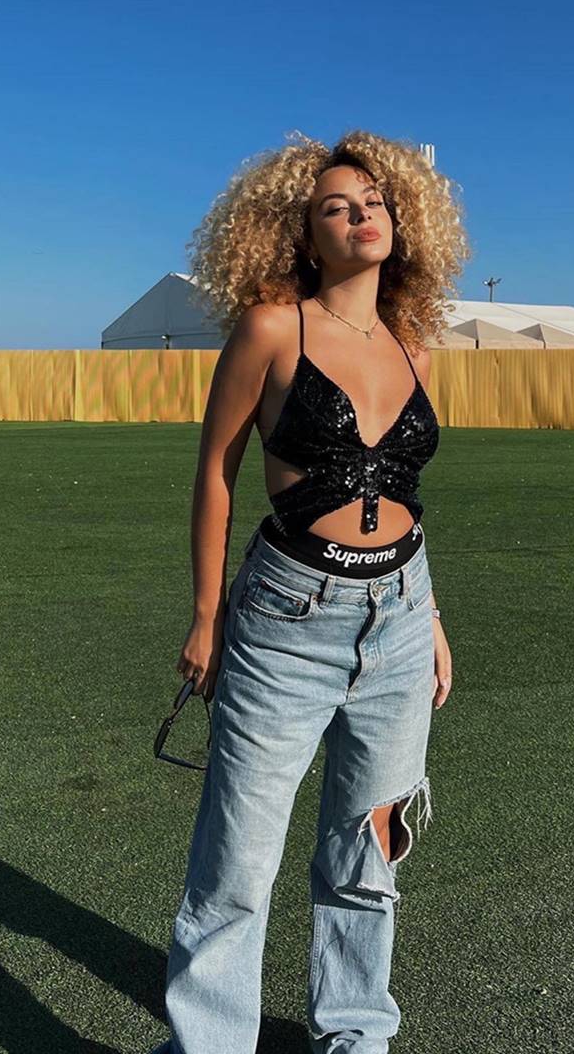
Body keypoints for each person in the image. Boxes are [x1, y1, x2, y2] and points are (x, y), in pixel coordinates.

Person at [150, 129, 471, 1054]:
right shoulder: (270, 327)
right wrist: (208, 616)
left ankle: (356, 1035)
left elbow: (406, 496)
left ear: (400, 219)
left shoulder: (412, 343)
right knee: (238, 865)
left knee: (368, 853)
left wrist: (433, 620)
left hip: (401, 621)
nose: (361, 212)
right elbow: (216, 471)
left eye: (373, 199)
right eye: (337, 205)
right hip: (287, 618)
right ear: (301, 233)